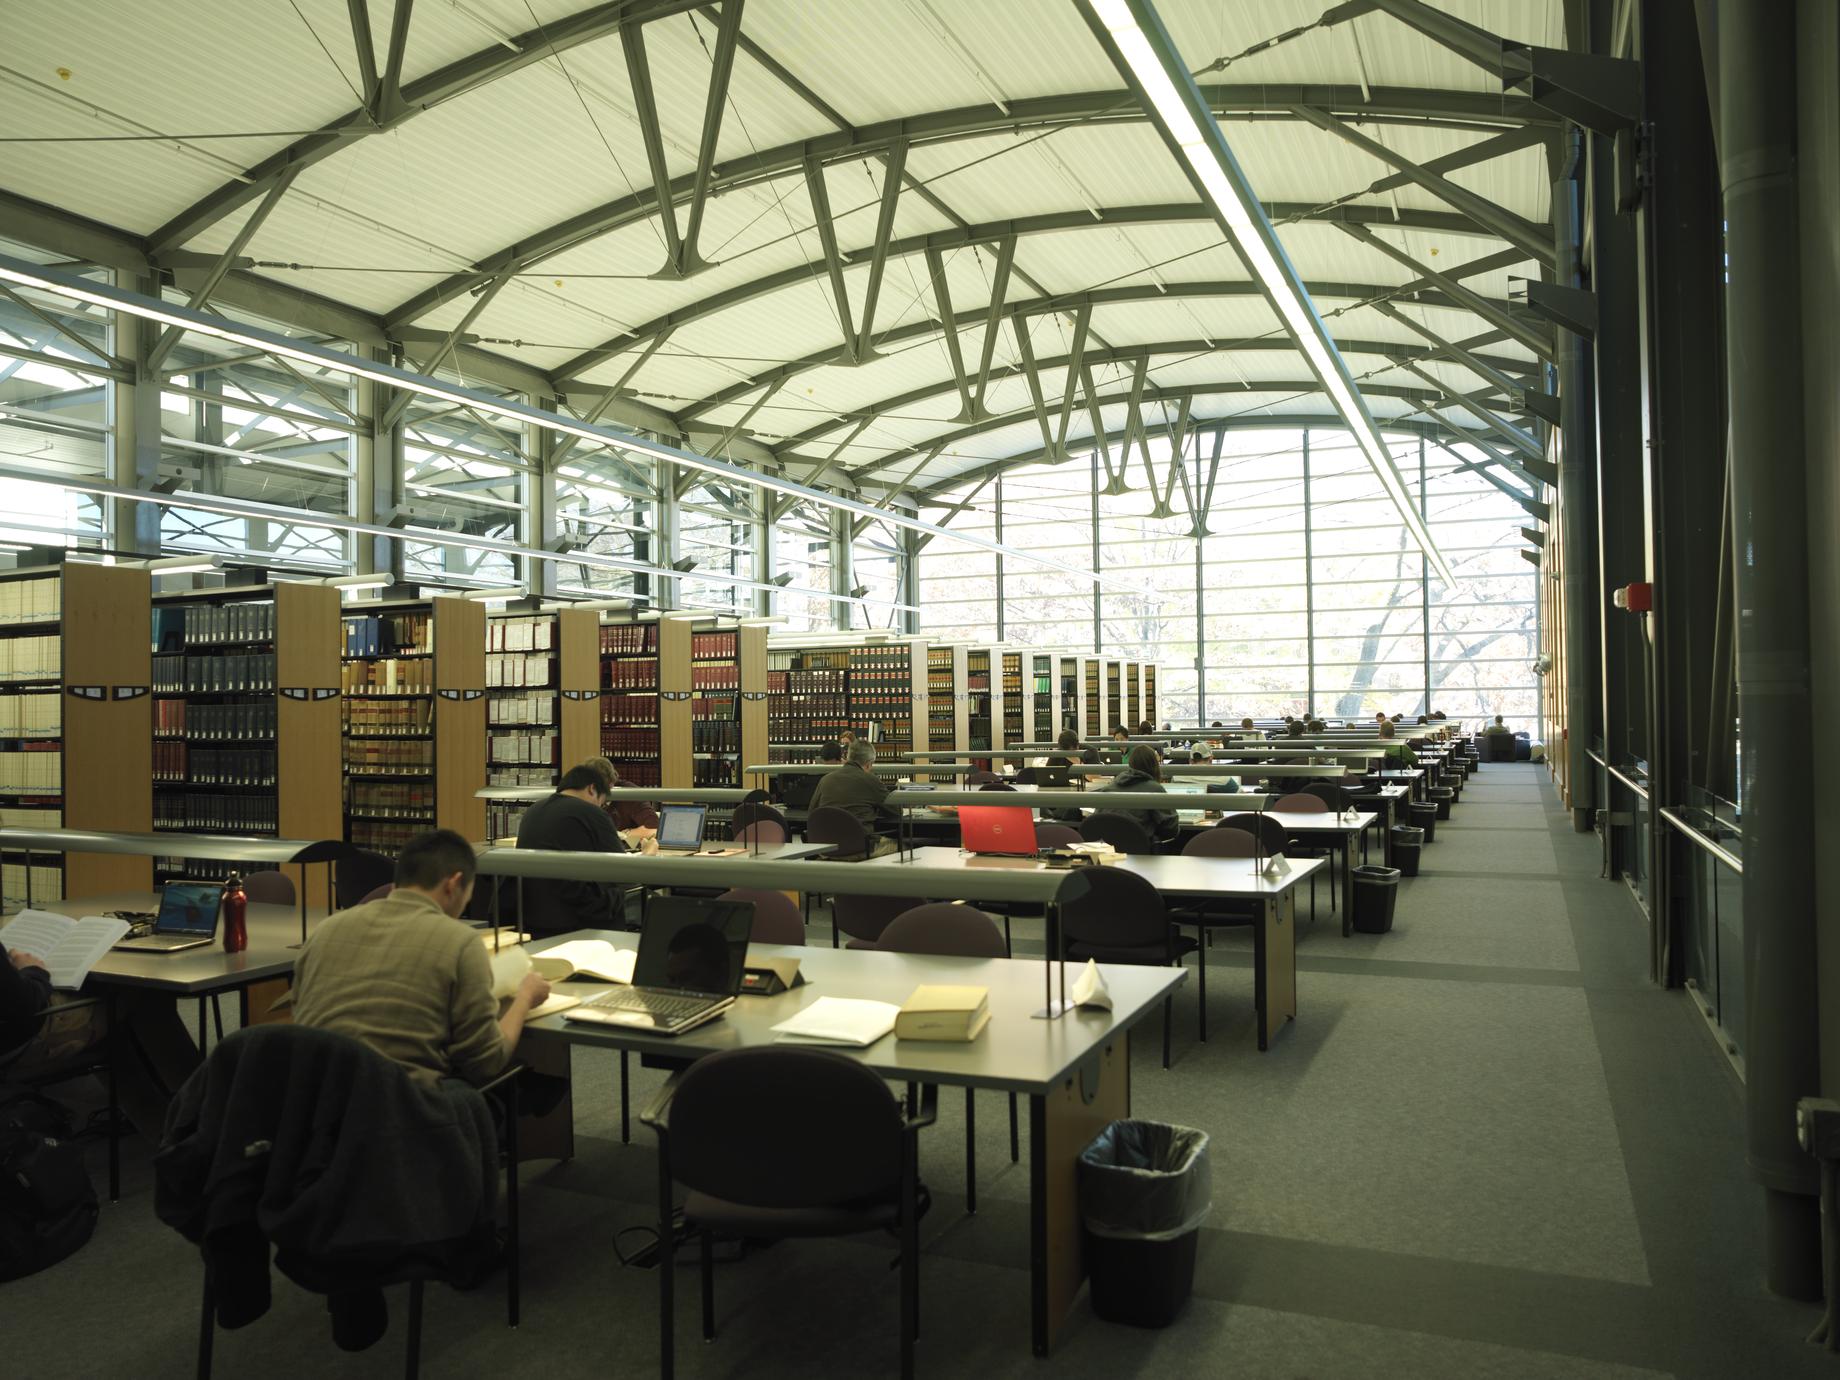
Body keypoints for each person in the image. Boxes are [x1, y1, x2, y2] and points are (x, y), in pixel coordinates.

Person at [292, 829, 549, 1086]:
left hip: (310, 1103)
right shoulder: (459, 941)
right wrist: (525, 997)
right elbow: (486, 1062)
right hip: (399, 1109)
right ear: (453, 884)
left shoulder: (326, 930)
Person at [514, 763, 640, 934]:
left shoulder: (534, 810)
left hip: (535, 916)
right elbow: (625, 871)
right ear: (592, 789)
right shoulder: (591, 813)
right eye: (601, 801)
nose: (600, 807)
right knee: (643, 897)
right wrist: (647, 855)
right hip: (581, 916)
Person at [807, 740, 899, 855]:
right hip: (859, 850)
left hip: (827, 850)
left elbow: (812, 812)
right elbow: (896, 811)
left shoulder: (826, 779)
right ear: (869, 763)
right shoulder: (870, 780)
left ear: (848, 757)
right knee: (906, 846)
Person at [1093, 744, 1177, 843]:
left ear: (1131, 764)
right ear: (1155, 766)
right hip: (1140, 853)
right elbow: (1171, 828)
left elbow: (1096, 822)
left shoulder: (1110, 787)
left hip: (1110, 853)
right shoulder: (1155, 789)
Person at [586, 755, 658, 838]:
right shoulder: (583, 794)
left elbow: (654, 828)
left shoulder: (629, 793)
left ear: (612, 782)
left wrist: (625, 834)